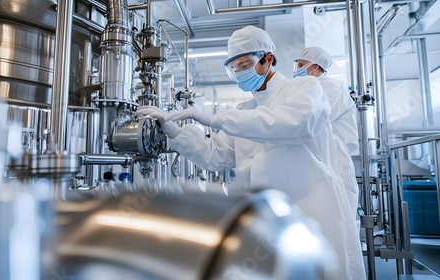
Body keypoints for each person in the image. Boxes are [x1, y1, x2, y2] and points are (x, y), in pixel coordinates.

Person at [138, 25, 365, 279]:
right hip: (263, 228)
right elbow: (216, 154)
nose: (238, 73)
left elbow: (295, 123)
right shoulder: (245, 110)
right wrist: (175, 133)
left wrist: (217, 119)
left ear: (268, 59)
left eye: (244, 65)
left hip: (311, 219)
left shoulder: (304, 90)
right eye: (233, 68)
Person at [293, 47, 360, 220]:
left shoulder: (331, 87)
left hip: (335, 157)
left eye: (301, 65)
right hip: (321, 157)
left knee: (340, 215)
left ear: (314, 67)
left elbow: (313, 117)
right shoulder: (310, 87)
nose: (297, 69)